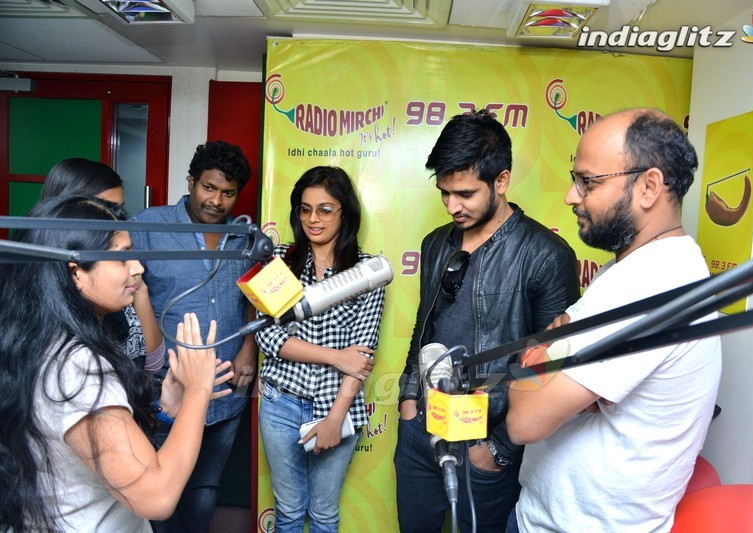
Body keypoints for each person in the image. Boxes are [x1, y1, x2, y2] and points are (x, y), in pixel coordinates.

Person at [506, 109, 723, 532]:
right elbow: (566, 378)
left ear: (648, 186)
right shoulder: (629, 269)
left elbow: (524, 420)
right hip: (547, 517)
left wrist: (543, 353)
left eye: (588, 181)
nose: (571, 195)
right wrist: (556, 361)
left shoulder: (652, 282)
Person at [395, 109, 580, 532]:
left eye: (464, 193)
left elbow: (554, 367)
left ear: (501, 181)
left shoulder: (546, 255)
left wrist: (496, 449)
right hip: (421, 431)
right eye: (444, 192)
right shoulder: (435, 244)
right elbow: (426, 329)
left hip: (485, 443)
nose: (451, 205)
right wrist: (408, 404)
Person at [0, 195, 232, 532]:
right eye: (122, 257)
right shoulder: (75, 366)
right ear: (76, 272)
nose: (137, 267)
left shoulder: (42, 339)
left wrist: (168, 409)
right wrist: (198, 391)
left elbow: (106, 450)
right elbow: (157, 497)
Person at [130, 140, 257, 532]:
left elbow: (256, 299)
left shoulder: (246, 236)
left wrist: (249, 351)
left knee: (205, 487)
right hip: (167, 391)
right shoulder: (148, 228)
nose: (216, 201)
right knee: (161, 487)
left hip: (225, 388)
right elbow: (126, 297)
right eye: (208, 187)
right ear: (190, 182)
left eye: (228, 193)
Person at [255, 166, 386, 531]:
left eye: (325, 209)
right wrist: (335, 356)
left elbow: (359, 358)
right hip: (280, 402)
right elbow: (269, 338)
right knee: (290, 512)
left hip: (337, 406)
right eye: (306, 208)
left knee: (324, 515)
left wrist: (334, 419)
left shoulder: (367, 272)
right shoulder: (279, 261)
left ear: (345, 212)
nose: (314, 219)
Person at [42, 157, 165, 373]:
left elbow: (153, 362)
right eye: (104, 209)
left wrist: (140, 289)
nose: (115, 219)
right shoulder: (50, 305)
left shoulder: (119, 270)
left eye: (119, 210)